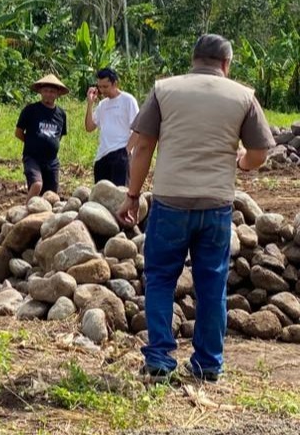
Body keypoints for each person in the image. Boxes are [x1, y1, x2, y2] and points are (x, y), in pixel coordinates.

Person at [117, 34, 274, 382]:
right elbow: (260, 153)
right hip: (216, 205)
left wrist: (133, 195)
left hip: (170, 202)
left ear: (193, 59)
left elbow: (143, 147)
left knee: (160, 279)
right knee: (212, 285)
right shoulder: (243, 96)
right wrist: (242, 162)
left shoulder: (165, 90)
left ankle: (159, 359)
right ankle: (208, 364)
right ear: (226, 63)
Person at [15, 74, 69, 199]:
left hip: (52, 161)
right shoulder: (30, 110)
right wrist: (32, 142)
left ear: (57, 94)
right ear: (40, 91)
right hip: (33, 158)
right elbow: (18, 132)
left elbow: (59, 136)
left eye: (52, 91)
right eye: (46, 91)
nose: (48, 94)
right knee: (37, 185)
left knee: (51, 195)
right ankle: (27, 208)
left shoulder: (61, 114)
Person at [85, 67, 139, 186]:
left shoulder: (128, 100)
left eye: (105, 86)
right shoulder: (102, 105)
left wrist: (126, 151)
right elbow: (89, 127)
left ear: (115, 83)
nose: (102, 90)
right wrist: (90, 104)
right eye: (100, 87)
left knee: (119, 193)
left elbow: (138, 129)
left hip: (120, 153)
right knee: (101, 194)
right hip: (102, 156)